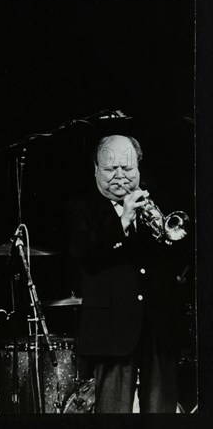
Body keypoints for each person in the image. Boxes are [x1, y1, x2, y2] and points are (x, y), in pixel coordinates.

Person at [64, 134, 183, 413]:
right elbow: (83, 254)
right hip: (112, 332)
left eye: (127, 169)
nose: (120, 176)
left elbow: (182, 258)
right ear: (96, 169)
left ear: (139, 169)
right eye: (110, 169)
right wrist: (123, 222)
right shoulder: (79, 207)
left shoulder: (156, 200)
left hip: (158, 327)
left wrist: (168, 239)